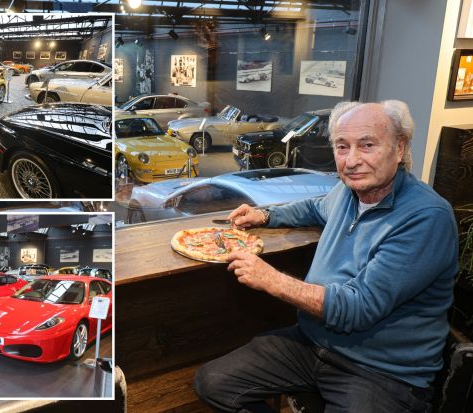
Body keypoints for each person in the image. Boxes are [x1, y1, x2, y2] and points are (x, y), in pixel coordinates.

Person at [194, 100, 458, 412]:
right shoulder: (348, 192)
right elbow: (314, 206)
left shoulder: (426, 217)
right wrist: (264, 215)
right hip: (313, 344)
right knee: (213, 382)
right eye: (342, 147)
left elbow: (359, 307)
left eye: (367, 145)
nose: (352, 160)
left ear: (399, 149)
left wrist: (272, 280)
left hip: (381, 372)